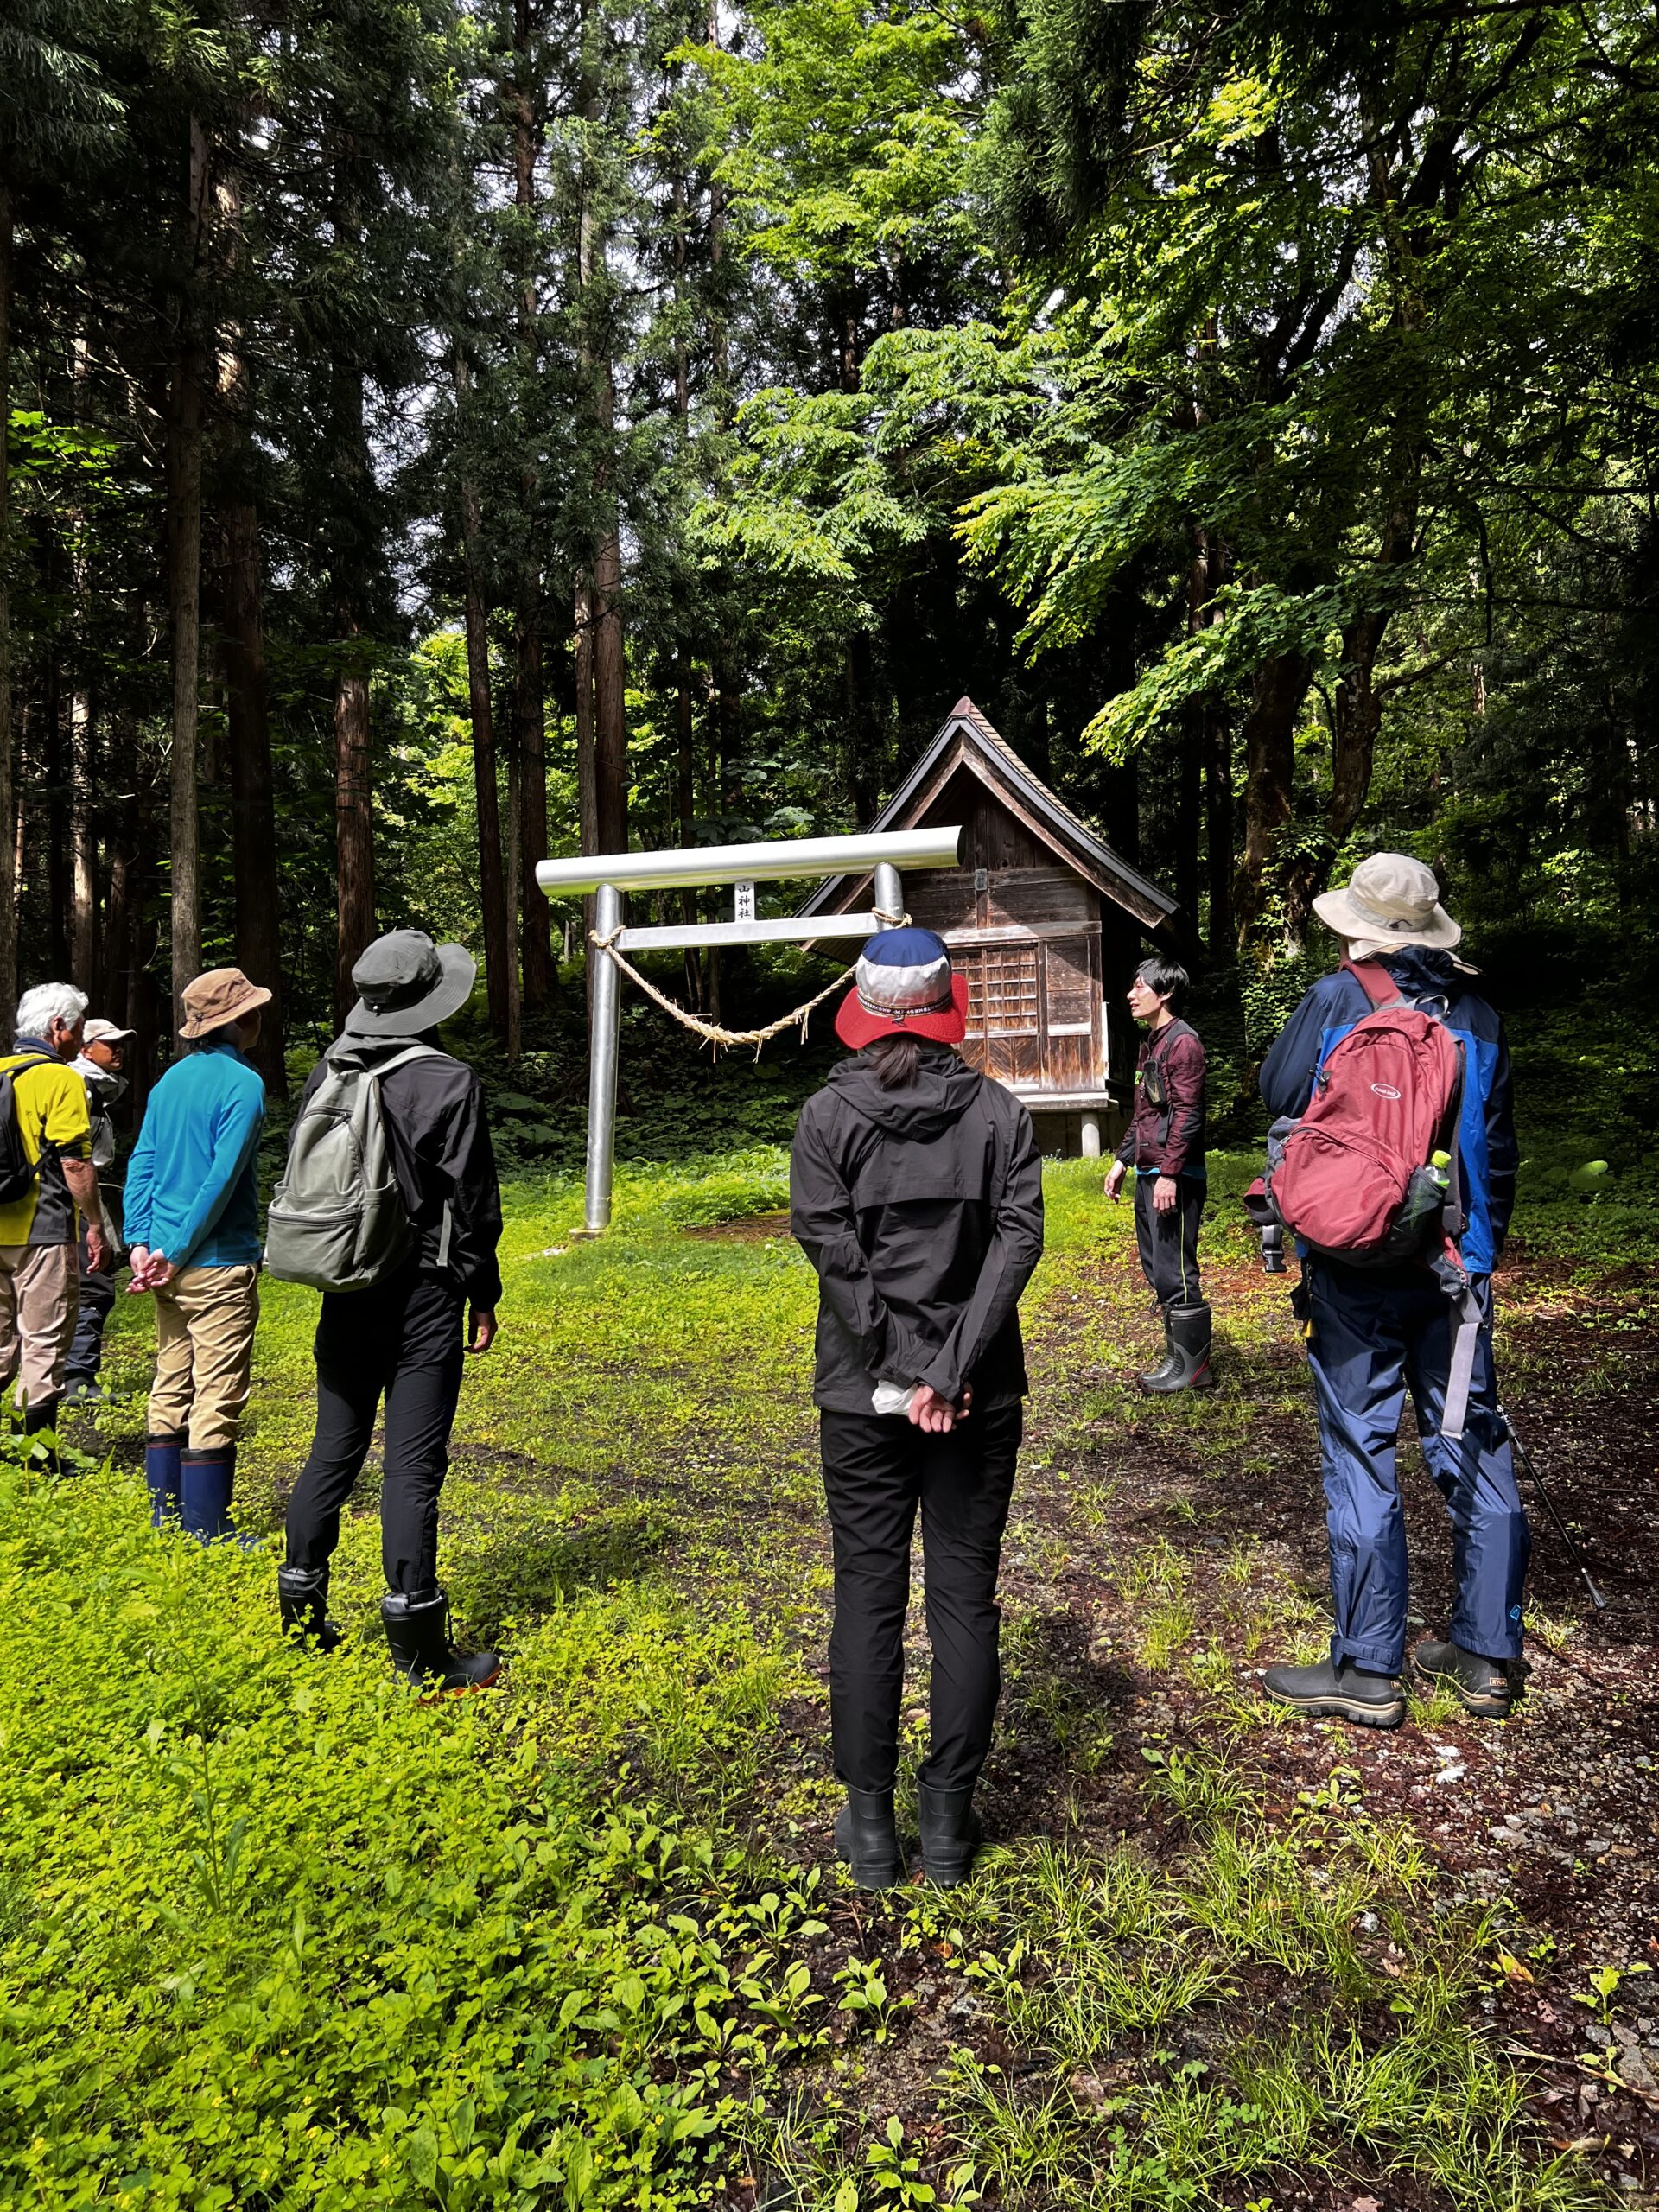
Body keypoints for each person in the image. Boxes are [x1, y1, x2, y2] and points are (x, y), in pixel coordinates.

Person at [790, 927, 1045, 1890]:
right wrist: (949, 1367)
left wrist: (903, 1367)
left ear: (864, 1003)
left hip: (862, 1392)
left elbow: (831, 1250)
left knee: (867, 1592)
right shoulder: (998, 1114)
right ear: (945, 1008)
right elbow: (1016, 1245)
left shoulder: (826, 1117)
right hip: (975, 1392)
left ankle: (869, 1827)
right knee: (962, 1594)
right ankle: (945, 1820)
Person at [1257, 853, 1524, 1728]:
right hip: (1454, 1269)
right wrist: (1475, 1253)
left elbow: (1276, 1091)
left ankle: (1368, 1667)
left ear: (1357, 926)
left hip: (1354, 1263)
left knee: (1361, 1446)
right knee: (1472, 1437)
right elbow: (1500, 1152)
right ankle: (1486, 1654)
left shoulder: (1340, 999)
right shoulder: (1478, 1013)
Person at [280, 930, 504, 1695]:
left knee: (332, 1447)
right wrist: (483, 1291)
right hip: (423, 1295)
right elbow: (472, 1205)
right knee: (412, 1465)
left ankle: (302, 1609)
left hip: (342, 1287)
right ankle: (417, 1643)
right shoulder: (447, 1079)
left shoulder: (328, 1068)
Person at [124, 969, 270, 1539]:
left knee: (170, 1381)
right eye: (253, 1010)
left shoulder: (169, 1083)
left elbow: (143, 1162)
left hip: (161, 1260)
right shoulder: (244, 1084)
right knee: (217, 1392)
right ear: (239, 1022)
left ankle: (167, 1522)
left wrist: (141, 1243)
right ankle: (208, 1531)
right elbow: (220, 1181)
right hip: (215, 1262)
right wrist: (179, 1250)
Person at [0, 983, 106, 1457]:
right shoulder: (60, 1079)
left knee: (1, 1340)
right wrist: (95, 1224)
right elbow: (76, 1164)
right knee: (43, 1341)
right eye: (79, 1027)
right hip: (40, 1230)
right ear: (58, 1027)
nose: (81, 1038)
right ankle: (33, 1455)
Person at [1103, 955, 1212, 1391]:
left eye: (1140, 987)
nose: (1131, 994)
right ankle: (1176, 1358)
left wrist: (1170, 1173)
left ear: (1164, 992)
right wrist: (1121, 1160)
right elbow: (1144, 1111)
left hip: (1176, 1176)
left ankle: (1193, 1368)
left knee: (1175, 1269)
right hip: (1149, 1169)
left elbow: (1189, 1112)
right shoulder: (1151, 1044)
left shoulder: (1184, 1044)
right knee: (1156, 1266)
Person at [63, 1017, 136, 1407]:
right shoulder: (78, 1085)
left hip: (78, 1195)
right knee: (94, 1283)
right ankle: (76, 1379)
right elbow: (72, 1158)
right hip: (72, 1197)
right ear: (86, 1048)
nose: (118, 1048)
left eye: (122, 1042)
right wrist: (94, 1219)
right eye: (109, 1043)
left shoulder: (95, 1086)